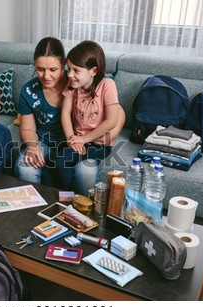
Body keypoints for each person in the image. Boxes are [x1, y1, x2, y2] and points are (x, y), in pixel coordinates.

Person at [57, 40, 126, 195]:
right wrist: (71, 138)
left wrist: (84, 139)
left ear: (93, 71)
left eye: (76, 70)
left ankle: (70, 197)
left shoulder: (107, 85)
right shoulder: (71, 86)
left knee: (66, 159)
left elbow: (111, 121)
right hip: (78, 139)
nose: (70, 74)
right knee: (60, 159)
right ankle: (65, 196)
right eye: (69, 69)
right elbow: (65, 114)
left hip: (99, 143)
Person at [15, 37, 68, 187]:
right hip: (43, 141)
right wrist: (32, 146)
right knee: (25, 168)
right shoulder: (28, 90)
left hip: (73, 144)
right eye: (40, 69)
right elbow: (27, 128)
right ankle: (35, 210)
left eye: (53, 70)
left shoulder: (76, 83)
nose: (46, 76)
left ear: (63, 65)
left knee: (86, 172)